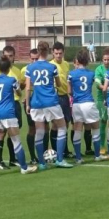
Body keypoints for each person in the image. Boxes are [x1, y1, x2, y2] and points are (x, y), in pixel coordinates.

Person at [0, 56, 37, 177]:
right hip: (8, 114)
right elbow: (19, 93)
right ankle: (24, 168)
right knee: (16, 142)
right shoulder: (11, 80)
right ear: (9, 68)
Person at [25, 41, 73, 169]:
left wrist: (27, 105)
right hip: (51, 101)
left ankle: (41, 163)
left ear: (38, 51)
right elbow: (58, 84)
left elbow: (28, 88)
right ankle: (60, 159)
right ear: (48, 52)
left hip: (36, 102)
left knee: (39, 132)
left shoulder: (30, 67)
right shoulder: (52, 67)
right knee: (62, 127)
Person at [67, 50, 107, 163]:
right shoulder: (91, 73)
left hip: (76, 104)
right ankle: (97, 155)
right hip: (88, 103)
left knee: (77, 130)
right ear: (87, 61)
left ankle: (78, 158)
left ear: (77, 61)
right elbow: (98, 84)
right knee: (96, 127)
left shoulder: (71, 74)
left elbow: (69, 91)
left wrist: (75, 95)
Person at [0, 46, 22, 169]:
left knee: (13, 132)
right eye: (6, 56)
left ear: (14, 56)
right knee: (1, 132)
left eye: (11, 56)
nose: (9, 58)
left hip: (15, 104)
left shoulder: (17, 71)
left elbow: (20, 87)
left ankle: (12, 159)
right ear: (2, 56)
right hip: (4, 105)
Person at [20, 49, 48, 164]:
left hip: (44, 102)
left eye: (37, 58)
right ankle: (32, 157)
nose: (35, 60)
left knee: (46, 128)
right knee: (32, 129)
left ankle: (45, 155)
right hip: (31, 102)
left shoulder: (44, 68)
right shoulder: (24, 70)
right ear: (29, 58)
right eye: (33, 59)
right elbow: (20, 87)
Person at [49, 42, 74, 157]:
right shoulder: (50, 65)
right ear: (52, 53)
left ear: (64, 53)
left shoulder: (66, 65)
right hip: (55, 97)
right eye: (56, 53)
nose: (58, 55)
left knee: (66, 124)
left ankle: (65, 149)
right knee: (55, 125)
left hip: (65, 96)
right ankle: (55, 151)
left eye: (60, 53)